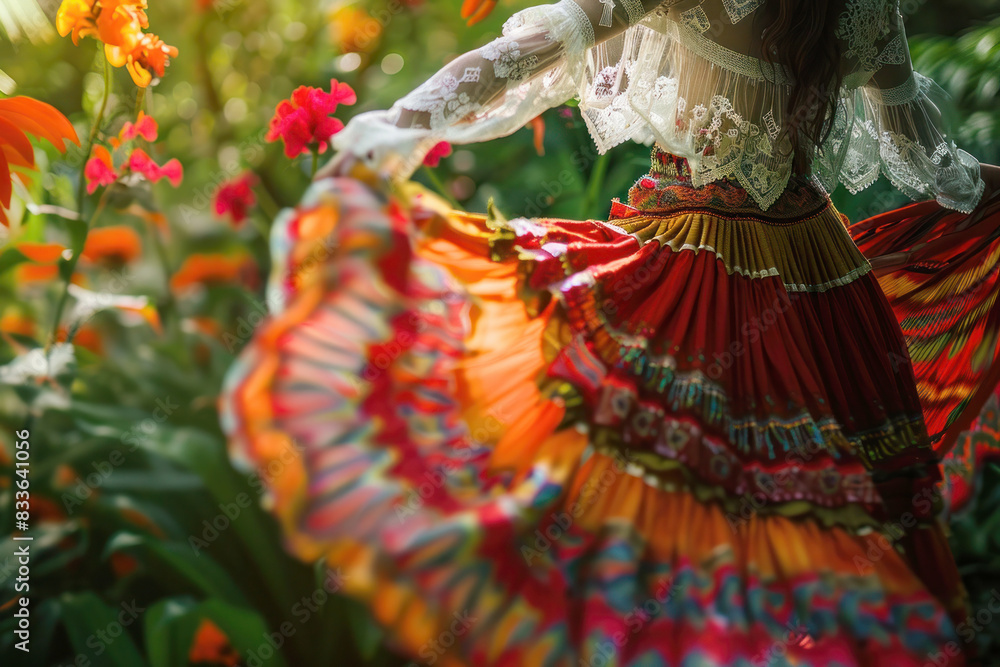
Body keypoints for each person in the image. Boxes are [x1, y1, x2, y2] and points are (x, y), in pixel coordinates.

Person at [222, 0, 1000, 664]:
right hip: (824, 282)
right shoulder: (867, 7)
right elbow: (931, 159)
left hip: (705, 277)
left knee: (685, 515)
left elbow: (528, 52)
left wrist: (395, 126)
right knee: (824, 526)